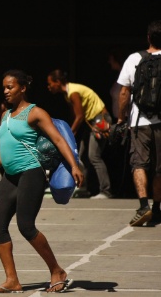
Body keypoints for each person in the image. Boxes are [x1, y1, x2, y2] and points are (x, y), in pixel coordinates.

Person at [0, 70, 83, 293]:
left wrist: (74, 165)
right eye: (4, 88)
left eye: (10, 87)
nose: (6, 91)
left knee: (26, 226)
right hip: (10, 177)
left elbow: (58, 140)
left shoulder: (35, 113)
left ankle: (56, 270)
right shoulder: (5, 116)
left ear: (22, 88)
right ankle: (12, 280)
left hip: (31, 173)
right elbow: (2, 152)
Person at [117, 20, 161, 227]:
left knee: (139, 164)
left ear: (148, 38)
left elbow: (124, 92)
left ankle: (144, 206)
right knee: (160, 168)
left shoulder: (134, 58)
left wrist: (120, 118)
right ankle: (158, 208)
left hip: (139, 121)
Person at [47, 69, 113, 199]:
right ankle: (83, 188)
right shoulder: (68, 94)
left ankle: (106, 190)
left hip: (100, 120)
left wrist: (68, 135)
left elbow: (79, 116)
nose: (49, 87)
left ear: (58, 82)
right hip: (90, 123)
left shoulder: (73, 92)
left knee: (94, 156)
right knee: (82, 156)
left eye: (50, 83)